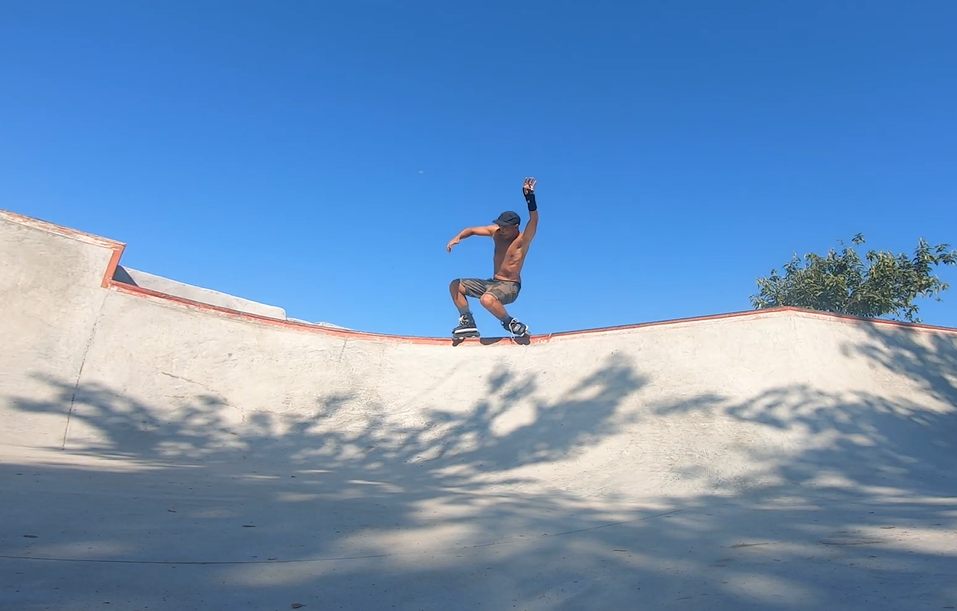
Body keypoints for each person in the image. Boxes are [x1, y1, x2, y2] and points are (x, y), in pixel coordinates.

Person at [446, 177, 540, 337]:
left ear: (515, 227)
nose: (501, 230)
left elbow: (534, 219)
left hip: (510, 287)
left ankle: (510, 322)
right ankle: (468, 321)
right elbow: (472, 230)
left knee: (486, 300)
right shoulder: (496, 233)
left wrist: (529, 197)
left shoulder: (522, 240)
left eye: (505, 228)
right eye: (500, 226)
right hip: (492, 283)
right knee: (455, 285)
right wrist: (458, 237)